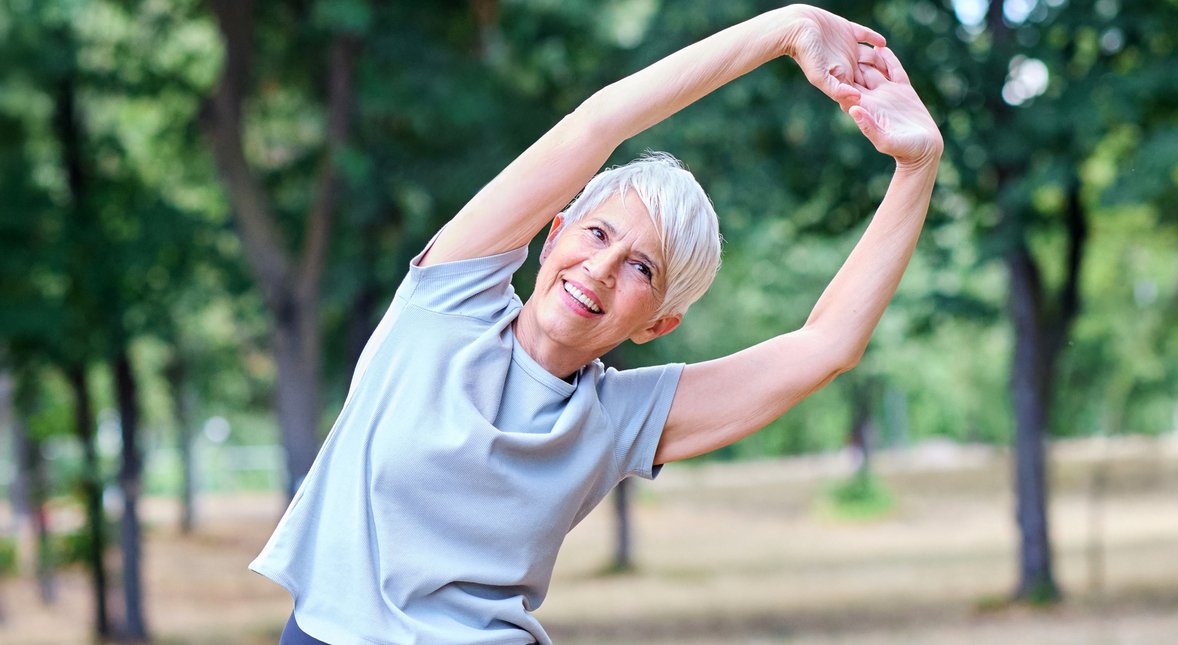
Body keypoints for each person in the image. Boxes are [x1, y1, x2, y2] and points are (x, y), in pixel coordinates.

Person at [251, 4, 943, 644]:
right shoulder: (448, 298)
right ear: (553, 234)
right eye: (597, 233)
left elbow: (826, 345)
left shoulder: (615, 417)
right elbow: (600, 126)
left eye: (642, 268)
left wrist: (917, 166)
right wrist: (785, 28)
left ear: (660, 322)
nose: (602, 268)